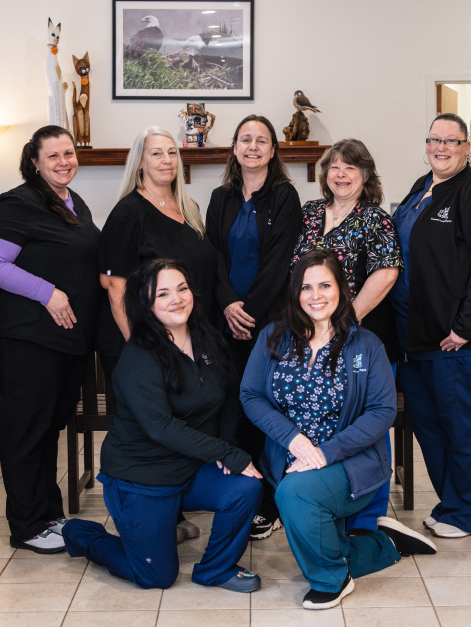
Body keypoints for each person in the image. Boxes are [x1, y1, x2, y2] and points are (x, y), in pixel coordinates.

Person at [241, 250, 436, 611]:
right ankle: (382, 544)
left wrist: (326, 452)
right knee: (300, 503)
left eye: (325, 285)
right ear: (294, 293)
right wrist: (295, 440)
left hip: (351, 461)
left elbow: (381, 412)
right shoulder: (273, 337)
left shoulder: (365, 345)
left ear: (343, 290)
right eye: (306, 287)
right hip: (291, 455)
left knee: (295, 495)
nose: (316, 296)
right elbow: (251, 395)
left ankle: (332, 578)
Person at [63, 260, 263, 593]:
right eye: (163, 293)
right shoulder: (139, 356)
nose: (177, 299)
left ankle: (216, 569)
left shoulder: (207, 339)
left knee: (245, 488)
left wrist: (227, 445)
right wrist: (226, 452)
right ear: (146, 303)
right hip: (143, 477)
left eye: (182, 289)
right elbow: (160, 427)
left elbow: (229, 396)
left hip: (189, 469)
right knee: (156, 576)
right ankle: (81, 534)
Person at [0, 125, 101, 554]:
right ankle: (27, 524)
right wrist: (47, 292)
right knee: (26, 430)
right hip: (29, 338)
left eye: (69, 153)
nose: (64, 161)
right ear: (34, 161)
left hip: (64, 340)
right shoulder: (15, 204)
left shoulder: (71, 200)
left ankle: (47, 513)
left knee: (48, 428)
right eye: (53, 156)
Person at [389, 114, 471, 540]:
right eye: (434, 139)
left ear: (466, 146)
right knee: (430, 426)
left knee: (464, 427)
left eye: (451, 141)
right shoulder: (422, 188)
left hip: (460, 341)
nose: (441, 147)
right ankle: (452, 503)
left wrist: (465, 327)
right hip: (417, 337)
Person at [96, 126, 220, 543]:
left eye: (171, 153)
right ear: (140, 162)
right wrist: (144, 348)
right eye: (155, 153)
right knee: (154, 428)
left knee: (185, 421)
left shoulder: (188, 206)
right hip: (144, 343)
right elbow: (114, 286)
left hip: (186, 340)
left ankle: (174, 506)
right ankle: (148, 510)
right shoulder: (129, 212)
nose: (165, 160)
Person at [290, 138, 402, 534]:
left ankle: (371, 514)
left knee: (368, 421)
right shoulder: (310, 213)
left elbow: (387, 271)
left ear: (366, 175)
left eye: (350, 168)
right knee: (329, 421)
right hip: (313, 338)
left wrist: (345, 320)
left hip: (361, 336)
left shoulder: (375, 218)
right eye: (334, 166)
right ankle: (335, 499)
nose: (341, 174)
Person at [206, 114, 302, 538]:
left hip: (268, 326)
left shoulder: (285, 196)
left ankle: (268, 502)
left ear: (273, 150)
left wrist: (251, 316)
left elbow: (280, 263)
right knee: (228, 410)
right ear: (235, 147)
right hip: (224, 323)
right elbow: (213, 259)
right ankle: (236, 493)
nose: (253, 147)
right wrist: (228, 303)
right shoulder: (219, 197)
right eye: (246, 139)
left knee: (263, 411)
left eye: (262, 140)